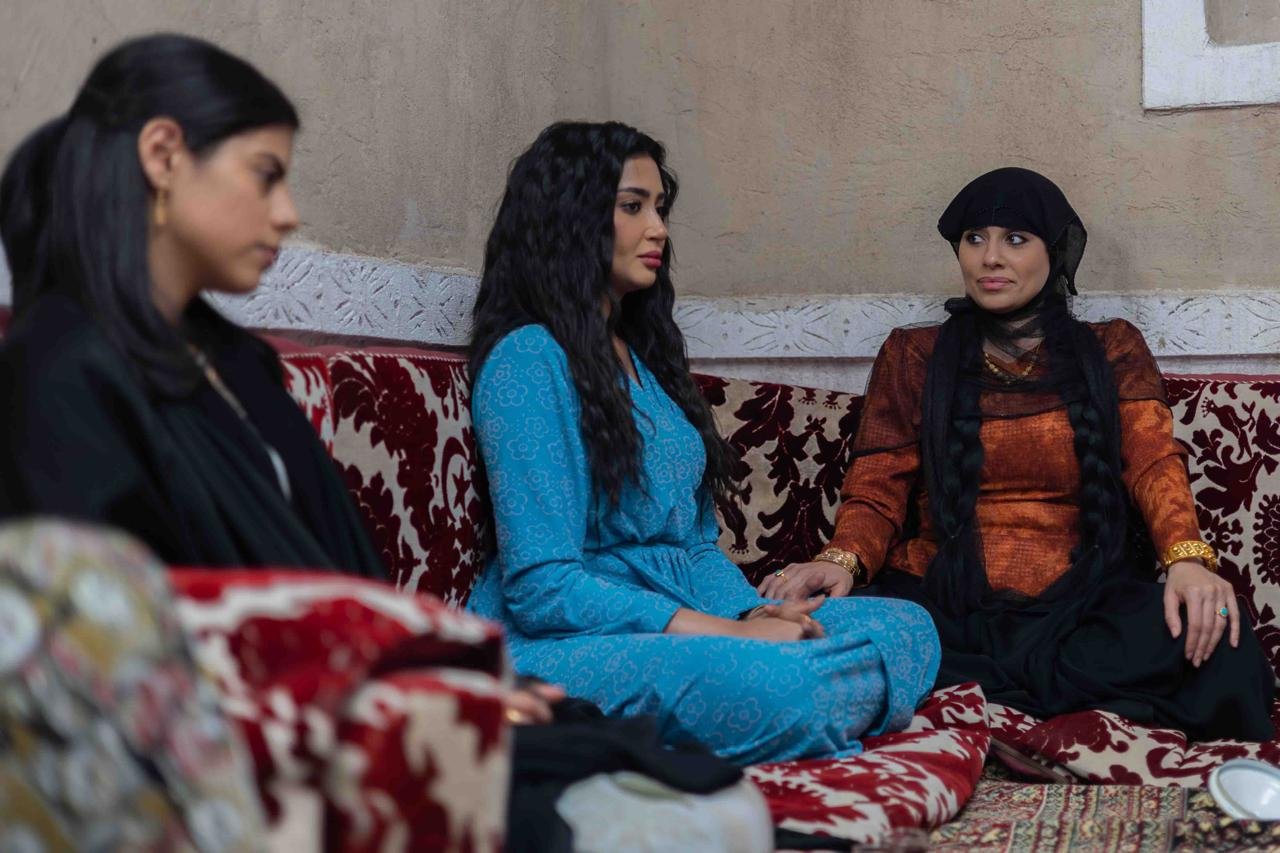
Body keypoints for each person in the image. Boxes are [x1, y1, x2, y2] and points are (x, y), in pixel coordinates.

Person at [0, 33, 561, 725]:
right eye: (266, 175)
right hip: (247, 746)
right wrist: (418, 707)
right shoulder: (58, 371)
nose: (288, 213)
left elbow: (338, 585)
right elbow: (124, 658)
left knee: (595, 736)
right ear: (163, 156)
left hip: (359, 707)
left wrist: (444, 684)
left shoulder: (235, 362)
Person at [466, 121, 940, 765]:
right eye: (633, 207)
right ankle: (807, 703)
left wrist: (749, 616)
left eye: (659, 208)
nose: (658, 229)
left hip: (683, 614)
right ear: (568, 218)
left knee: (909, 626)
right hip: (568, 638)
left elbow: (692, 546)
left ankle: (805, 702)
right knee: (783, 685)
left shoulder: (642, 360)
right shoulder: (528, 359)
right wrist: (725, 635)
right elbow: (543, 586)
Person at [761, 167, 1274, 741]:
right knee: (811, 632)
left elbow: (1153, 460)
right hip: (945, 607)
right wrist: (842, 560)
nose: (990, 258)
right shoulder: (913, 354)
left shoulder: (1112, 346)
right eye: (974, 238)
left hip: (1080, 610)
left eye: (1015, 239)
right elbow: (878, 483)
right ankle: (1031, 707)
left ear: (1053, 252)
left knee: (1223, 633)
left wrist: (1186, 558)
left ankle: (996, 705)